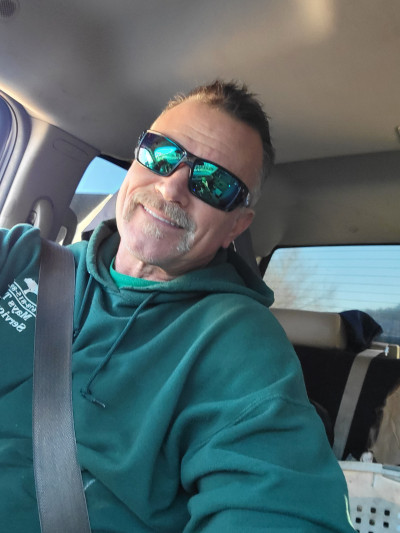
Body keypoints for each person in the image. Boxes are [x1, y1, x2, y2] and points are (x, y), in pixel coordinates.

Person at [0, 80, 355, 532]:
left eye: (214, 183)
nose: (171, 188)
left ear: (236, 226)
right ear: (136, 159)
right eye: (161, 153)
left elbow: (282, 510)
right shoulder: (20, 257)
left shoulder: (239, 344)